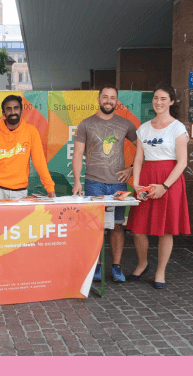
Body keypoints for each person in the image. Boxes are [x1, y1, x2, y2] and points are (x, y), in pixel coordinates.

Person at [126, 84, 190, 289]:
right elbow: (138, 159)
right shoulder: (143, 128)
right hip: (146, 178)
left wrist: (164, 185)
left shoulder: (178, 127)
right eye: (155, 98)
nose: (158, 102)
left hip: (169, 180)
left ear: (171, 102)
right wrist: (136, 184)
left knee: (165, 230)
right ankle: (143, 263)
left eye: (163, 98)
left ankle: (160, 271)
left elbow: (182, 162)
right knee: (138, 228)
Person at [72, 85, 137, 282]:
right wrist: (77, 182)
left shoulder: (126, 124)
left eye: (112, 98)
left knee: (117, 227)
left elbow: (142, 148)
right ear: (99, 99)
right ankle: (97, 266)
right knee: (95, 227)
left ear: (117, 101)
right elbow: (77, 155)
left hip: (118, 185)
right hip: (94, 183)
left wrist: (132, 168)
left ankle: (116, 266)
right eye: (105, 97)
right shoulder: (86, 124)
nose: (108, 101)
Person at [0, 94, 55, 199]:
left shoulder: (31, 131)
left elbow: (39, 161)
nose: (13, 112)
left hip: (20, 192)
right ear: (3, 113)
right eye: (9, 109)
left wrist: (50, 187)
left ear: (21, 112)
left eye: (16, 108)